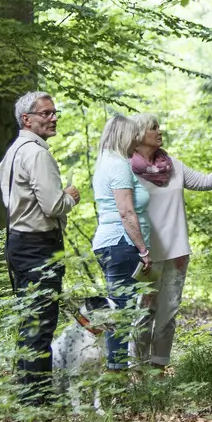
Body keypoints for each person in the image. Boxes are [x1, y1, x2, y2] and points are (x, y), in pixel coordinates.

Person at [0, 91, 82, 405]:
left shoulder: (13, 151)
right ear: (26, 119)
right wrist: (71, 195)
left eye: (54, 112)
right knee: (40, 324)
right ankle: (37, 400)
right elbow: (53, 205)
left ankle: (29, 393)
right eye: (45, 113)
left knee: (30, 320)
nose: (53, 117)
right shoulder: (36, 153)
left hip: (19, 243)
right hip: (37, 247)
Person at [128, 113, 212, 371]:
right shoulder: (128, 170)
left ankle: (159, 367)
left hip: (177, 252)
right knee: (143, 313)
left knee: (168, 313)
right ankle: (136, 369)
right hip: (147, 254)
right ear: (138, 135)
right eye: (153, 127)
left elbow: (207, 182)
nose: (159, 131)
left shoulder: (173, 165)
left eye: (158, 126)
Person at [91, 113, 152, 372]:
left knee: (118, 308)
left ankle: (117, 371)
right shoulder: (118, 165)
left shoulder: (104, 161)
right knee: (122, 313)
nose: (136, 140)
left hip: (107, 243)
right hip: (121, 243)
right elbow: (126, 212)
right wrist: (143, 249)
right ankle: (118, 375)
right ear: (123, 136)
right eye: (133, 135)